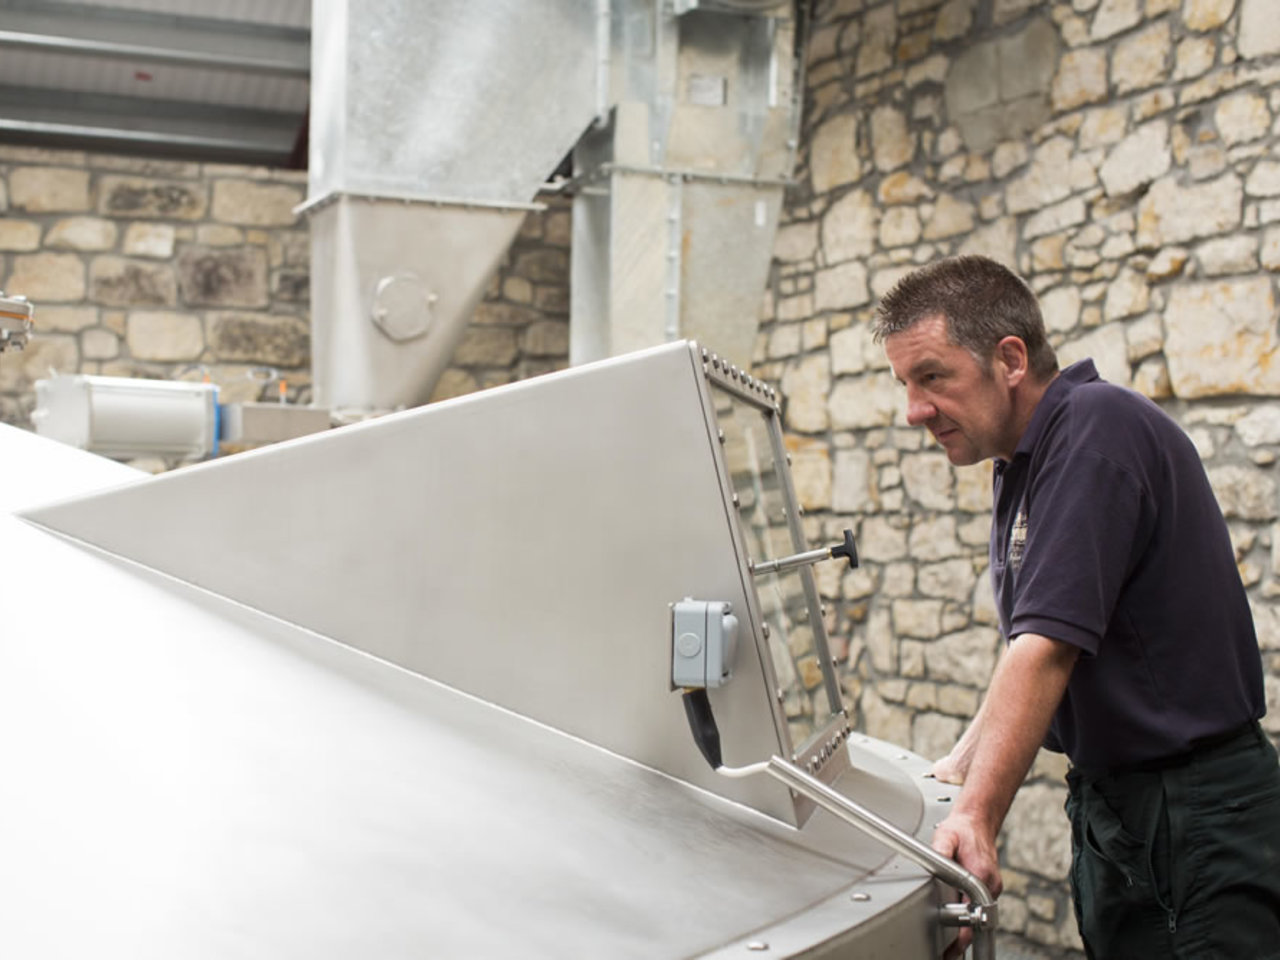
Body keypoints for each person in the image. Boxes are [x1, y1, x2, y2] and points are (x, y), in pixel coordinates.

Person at [873, 255, 1280, 959]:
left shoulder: (1096, 429)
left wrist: (975, 819)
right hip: (1121, 809)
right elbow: (1036, 641)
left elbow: (1045, 648)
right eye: (905, 384)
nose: (914, 410)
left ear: (1009, 358)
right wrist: (955, 767)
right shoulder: (1020, 463)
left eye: (933, 376)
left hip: (1194, 814)